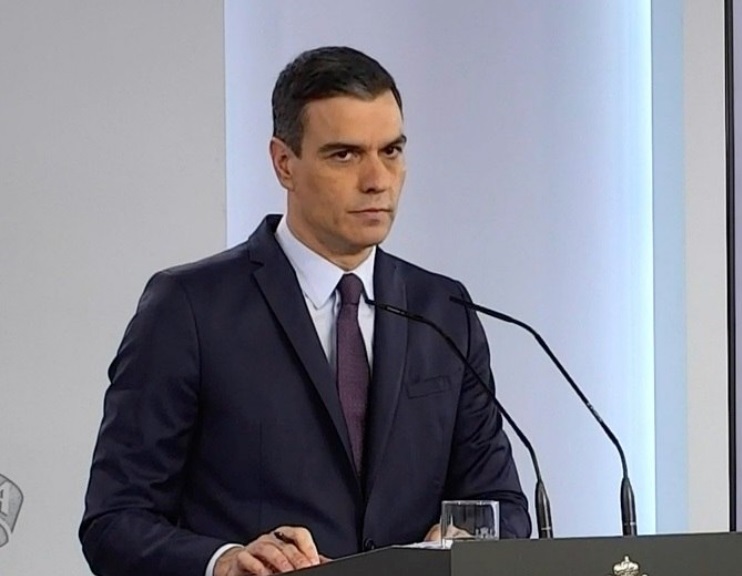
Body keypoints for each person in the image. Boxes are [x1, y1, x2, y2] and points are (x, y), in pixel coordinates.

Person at [80, 46, 530, 576]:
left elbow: (500, 504)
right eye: (345, 155)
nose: (377, 179)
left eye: (391, 151)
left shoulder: (444, 310)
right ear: (284, 163)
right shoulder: (189, 309)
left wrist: (456, 544)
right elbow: (115, 521)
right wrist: (225, 562)